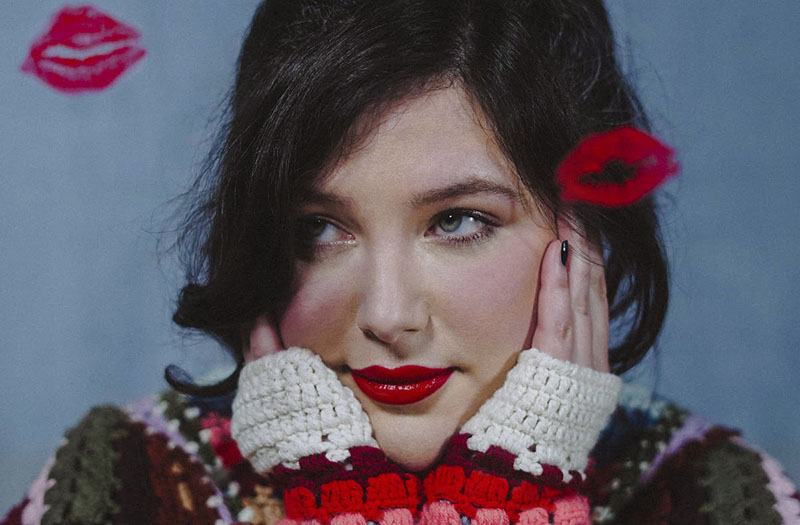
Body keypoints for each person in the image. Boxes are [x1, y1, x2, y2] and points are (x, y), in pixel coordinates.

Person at [3, 1, 798, 524]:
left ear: (581, 231)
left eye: (458, 220)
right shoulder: (126, 479)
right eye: (320, 229)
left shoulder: (712, 494)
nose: (387, 313)